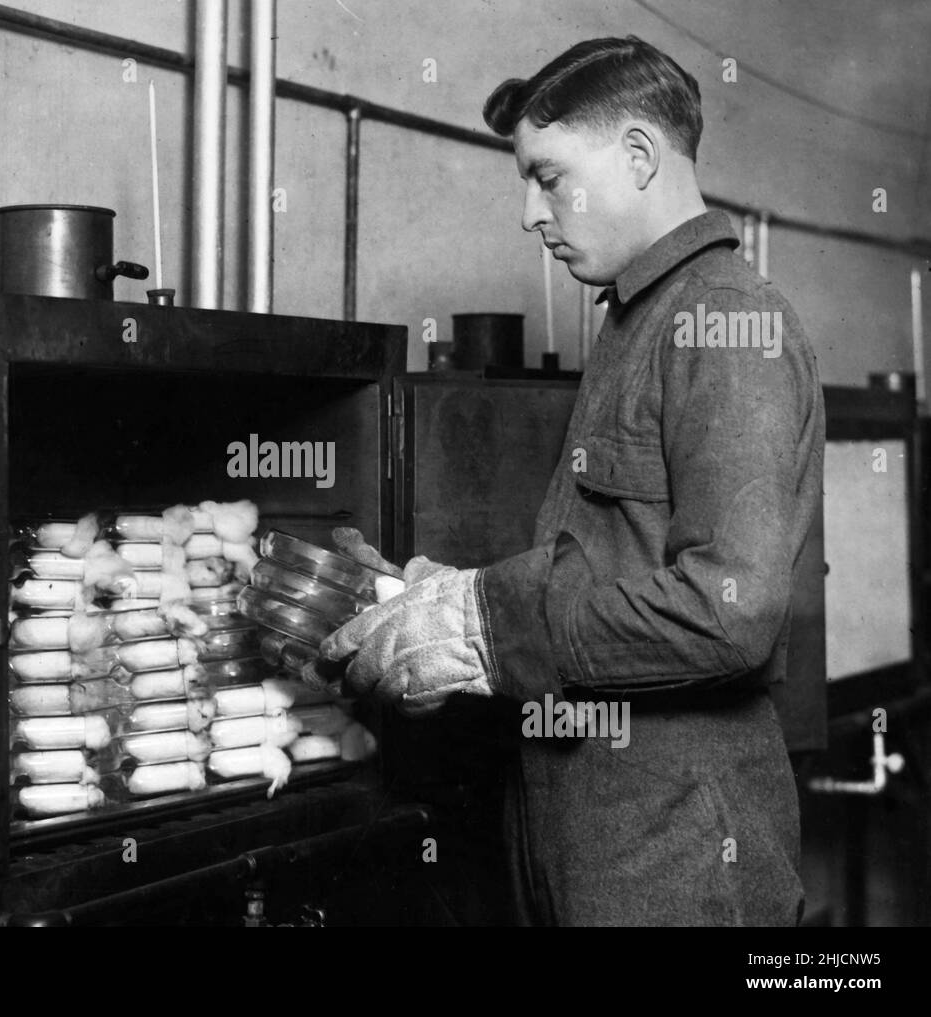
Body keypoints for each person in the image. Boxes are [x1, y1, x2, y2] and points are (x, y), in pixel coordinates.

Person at [320, 35, 824, 926]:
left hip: (675, 858)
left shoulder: (728, 324)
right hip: (589, 832)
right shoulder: (641, 319)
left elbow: (730, 610)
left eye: (548, 178)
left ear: (637, 156)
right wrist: (456, 593)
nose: (529, 214)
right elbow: (611, 561)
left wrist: (489, 622)